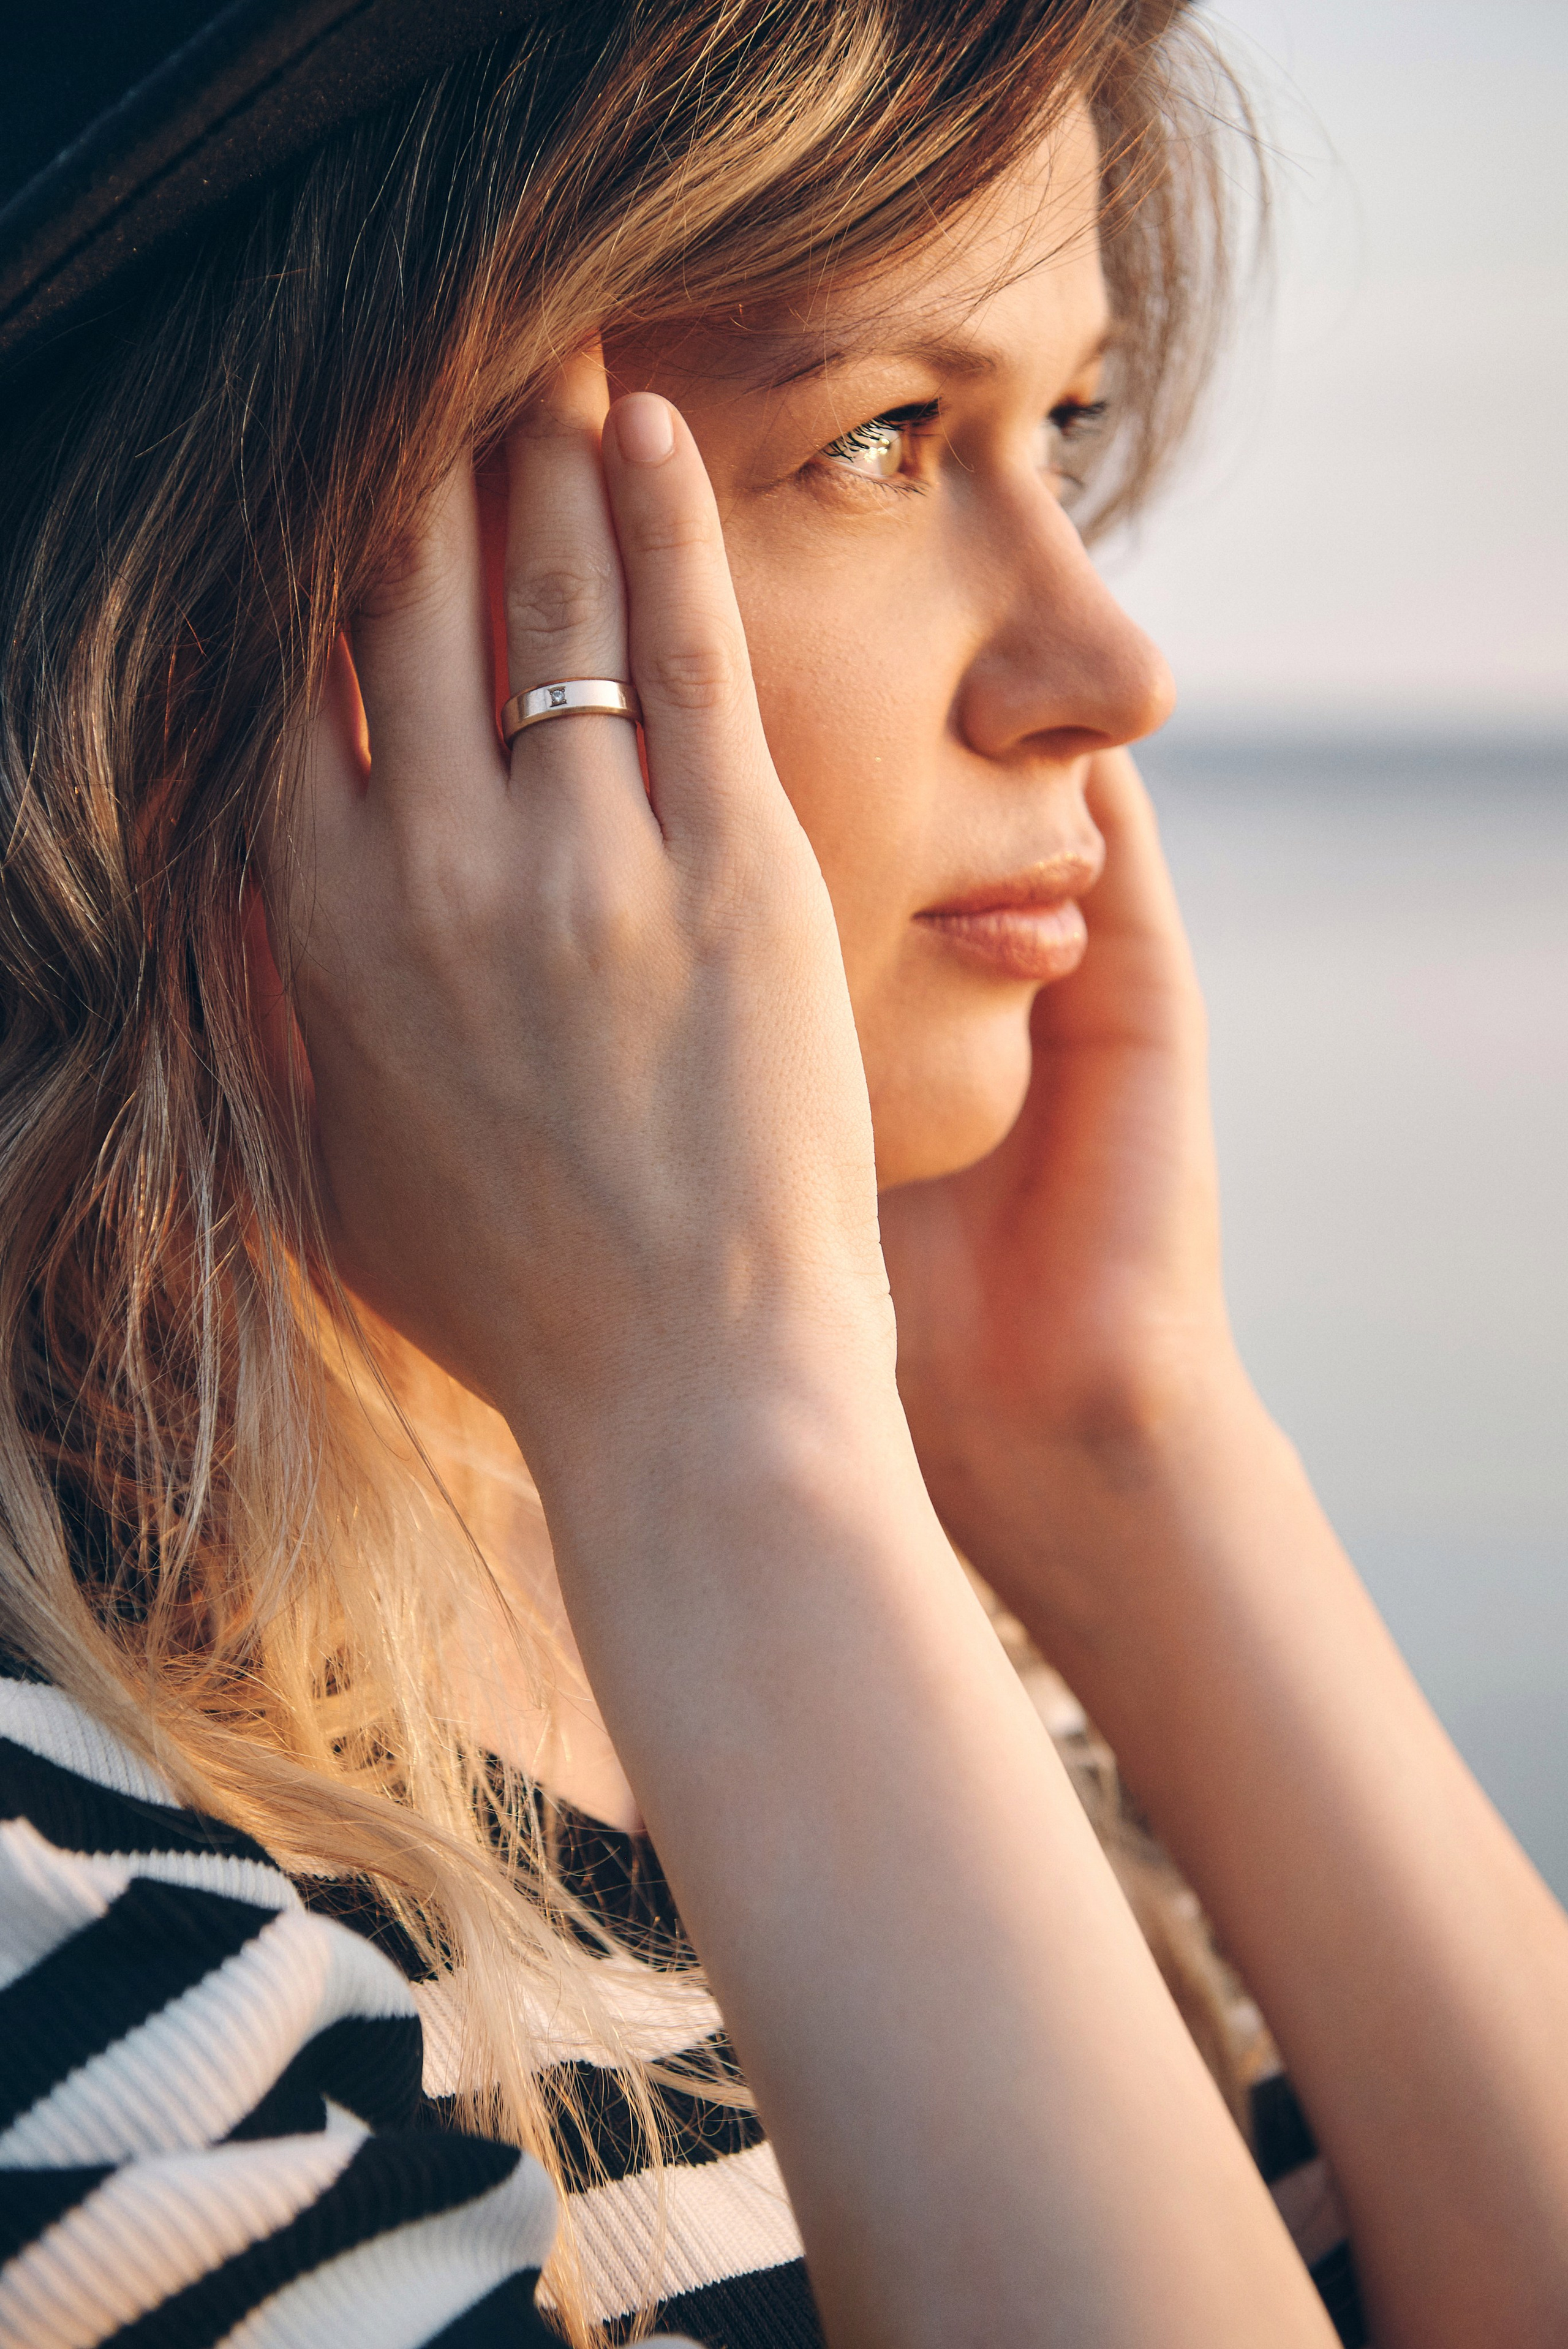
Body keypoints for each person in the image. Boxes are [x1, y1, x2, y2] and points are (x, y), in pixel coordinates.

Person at [1, 2, 1565, 2345]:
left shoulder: (916, 1625)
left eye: (1069, 425)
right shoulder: (81, 1955)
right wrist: (730, 1439)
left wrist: (1122, 1453)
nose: (1105, 656)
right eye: (878, 438)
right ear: (266, 612)